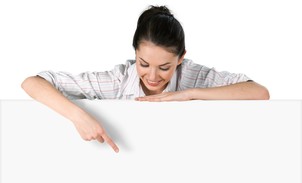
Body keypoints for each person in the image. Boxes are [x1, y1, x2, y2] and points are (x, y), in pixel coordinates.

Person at [21, 5, 270, 153]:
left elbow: (259, 93)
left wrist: (189, 94)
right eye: (143, 64)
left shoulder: (194, 75)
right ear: (135, 54)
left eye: (164, 67)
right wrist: (79, 116)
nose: (152, 76)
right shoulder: (117, 80)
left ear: (181, 58)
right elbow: (32, 82)